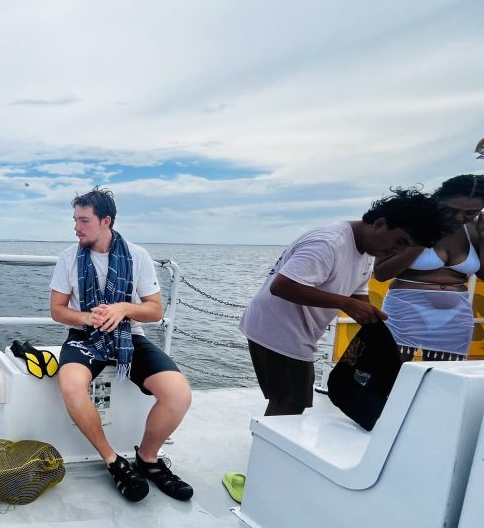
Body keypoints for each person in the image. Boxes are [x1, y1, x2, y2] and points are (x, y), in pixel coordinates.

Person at [239, 188, 444, 417]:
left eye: (407, 247)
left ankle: (266, 445)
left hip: (295, 331)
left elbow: (357, 291)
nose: (397, 251)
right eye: (399, 241)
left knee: (285, 399)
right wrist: (346, 304)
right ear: (380, 223)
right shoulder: (328, 243)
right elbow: (282, 286)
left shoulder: (367, 249)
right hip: (277, 329)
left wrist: (369, 315)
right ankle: (268, 449)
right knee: (291, 404)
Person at [50, 187, 193, 503]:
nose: (76, 227)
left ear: (106, 221)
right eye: (75, 219)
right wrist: (90, 318)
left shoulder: (138, 257)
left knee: (178, 393)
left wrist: (123, 309)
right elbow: (57, 310)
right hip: (84, 337)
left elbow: (155, 310)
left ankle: (148, 459)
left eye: (84, 220)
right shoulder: (68, 259)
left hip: (130, 336)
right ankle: (113, 460)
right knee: (72, 386)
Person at [374, 175, 484, 361]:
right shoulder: (410, 221)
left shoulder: (474, 228)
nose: (459, 217)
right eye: (451, 210)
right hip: (406, 310)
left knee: (444, 381)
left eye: (470, 213)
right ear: (439, 199)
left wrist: (483, 238)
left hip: (455, 316)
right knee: (389, 376)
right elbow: (382, 273)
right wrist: (425, 236)